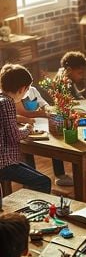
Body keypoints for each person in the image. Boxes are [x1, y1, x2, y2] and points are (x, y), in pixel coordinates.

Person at [0, 64, 51, 193]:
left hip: (6, 161)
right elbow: (14, 137)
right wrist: (28, 128)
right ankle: (36, 211)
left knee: (35, 176)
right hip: (5, 164)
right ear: (22, 89)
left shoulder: (1, 100)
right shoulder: (7, 102)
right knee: (44, 182)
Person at [16, 86, 75, 187]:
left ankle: (60, 175)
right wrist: (40, 114)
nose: (28, 88)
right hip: (23, 126)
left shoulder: (32, 90)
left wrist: (49, 110)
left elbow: (44, 104)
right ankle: (31, 180)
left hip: (38, 123)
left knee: (55, 139)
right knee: (28, 147)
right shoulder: (13, 93)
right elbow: (21, 113)